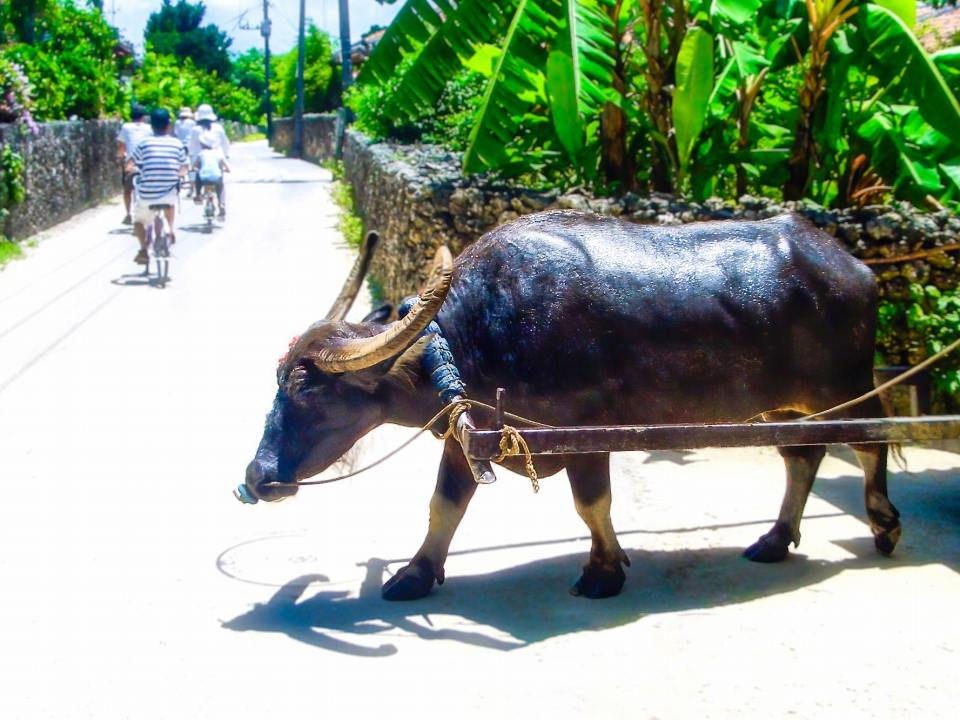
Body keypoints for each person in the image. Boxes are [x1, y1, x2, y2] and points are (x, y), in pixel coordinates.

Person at [126, 109, 188, 265]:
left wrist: (130, 169)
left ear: (151, 126)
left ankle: (143, 250)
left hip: (147, 194)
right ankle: (170, 230)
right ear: (168, 125)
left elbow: (130, 164)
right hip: (168, 193)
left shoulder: (144, 143)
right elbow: (184, 167)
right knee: (171, 201)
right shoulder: (177, 143)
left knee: (139, 221)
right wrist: (179, 174)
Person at [116, 104, 151, 225]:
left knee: (127, 190)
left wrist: (120, 156)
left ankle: (128, 214)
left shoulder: (126, 127)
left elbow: (121, 145)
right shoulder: (148, 128)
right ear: (143, 117)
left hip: (131, 163)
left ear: (131, 116)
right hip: (146, 163)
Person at [188, 103, 230, 202]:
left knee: (195, 172)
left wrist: (191, 156)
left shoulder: (195, 130)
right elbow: (225, 143)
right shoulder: (218, 128)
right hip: (217, 158)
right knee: (221, 181)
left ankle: (196, 192)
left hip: (201, 161)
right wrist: (225, 155)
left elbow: (191, 147)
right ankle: (222, 204)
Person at [194, 131, 230, 219]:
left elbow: (194, 166)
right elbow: (228, 168)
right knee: (220, 186)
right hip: (216, 178)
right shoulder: (218, 154)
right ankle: (221, 204)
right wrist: (225, 170)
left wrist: (194, 169)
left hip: (203, 179)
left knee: (197, 174)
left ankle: (198, 194)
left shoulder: (201, 154)